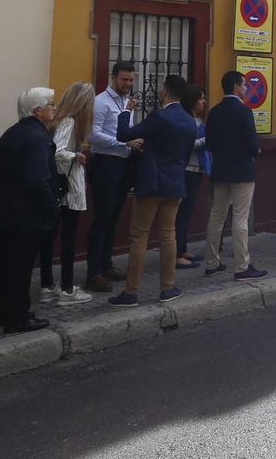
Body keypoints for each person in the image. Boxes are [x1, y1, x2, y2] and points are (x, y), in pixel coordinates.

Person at [108, 75, 199, 306]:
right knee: (168, 234)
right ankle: (167, 288)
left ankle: (131, 291)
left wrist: (126, 112)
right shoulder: (190, 120)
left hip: (151, 183)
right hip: (175, 183)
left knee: (140, 236)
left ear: (165, 91)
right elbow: (185, 153)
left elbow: (123, 135)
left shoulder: (159, 117)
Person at [0, 88, 59, 333]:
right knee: (21, 265)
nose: (55, 107)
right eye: (51, 104)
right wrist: (52, 207)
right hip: (27, 214)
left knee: (7, 262)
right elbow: (38, 179)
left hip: (7, 210)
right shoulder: (36, 137)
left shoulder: (13, 132)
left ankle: (3, 312)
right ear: (38, 110)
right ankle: (17, 316)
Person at [205, 71, 266, 280]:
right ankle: (242, 267)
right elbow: (252, 143)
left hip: (220, 169)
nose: (246, 88)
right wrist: (255, 151)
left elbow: (210, 143)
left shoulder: (214, 112)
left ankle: (212, 263)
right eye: (244, 85)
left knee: (216, 215)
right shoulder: (244, 111)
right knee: (240, 217)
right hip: (242, 171)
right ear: (235, 88)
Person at [84, 62, 138, 293]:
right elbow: (92, 135)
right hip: (105, 164)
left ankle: (106, 265)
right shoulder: (100, 102)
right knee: (102, 218)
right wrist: (122, 143)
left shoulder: (127, 102)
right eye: (124, 80)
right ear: (113, 78)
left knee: (114, 217)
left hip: (123, 164)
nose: (128, 84)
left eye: (131, 80)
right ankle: (93, 272)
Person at [44, 81, 94, 305]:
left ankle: (48, 285)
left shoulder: (58, 121)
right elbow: (58, 151)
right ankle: (67, 289)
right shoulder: (69, 122)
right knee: (68, 238)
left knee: (50, 237)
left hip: (59, 187)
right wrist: (76, 157)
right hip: (68, 190)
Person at [173, 86, 209, 270]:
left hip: (197, 168)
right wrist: (206, 140)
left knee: (188, 211)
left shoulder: (197, 119)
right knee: (182, 211)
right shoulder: (187, 120)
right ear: (192, 101)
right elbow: (187, 144)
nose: (203, 101)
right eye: (201, 98)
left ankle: (183, 248)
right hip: (188, 168)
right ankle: (177, 253)